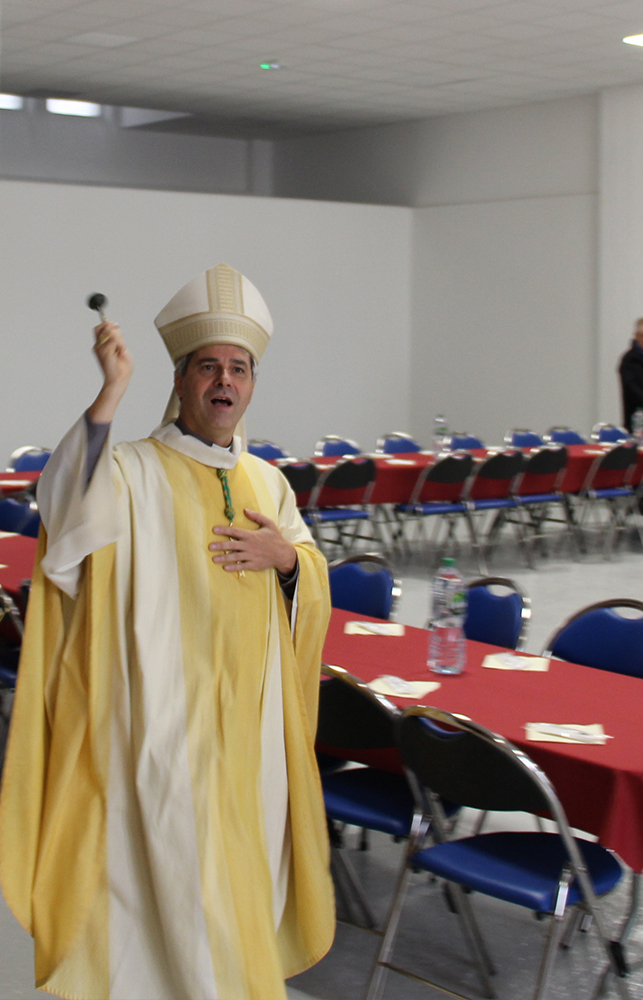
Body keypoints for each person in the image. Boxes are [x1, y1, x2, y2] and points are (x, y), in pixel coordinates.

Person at [0, 264, 335, 999]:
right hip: (158, 734)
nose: (225, 381)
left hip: (251, 743)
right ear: (180, 381)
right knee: (170, 908)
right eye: (208, 366)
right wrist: (110, 392)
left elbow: (309, 575)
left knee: (233, 897)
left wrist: (289, 564)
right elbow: (61, 512)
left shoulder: (270, 485)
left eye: (239, 369)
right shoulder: (132, 472)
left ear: (252, 384)